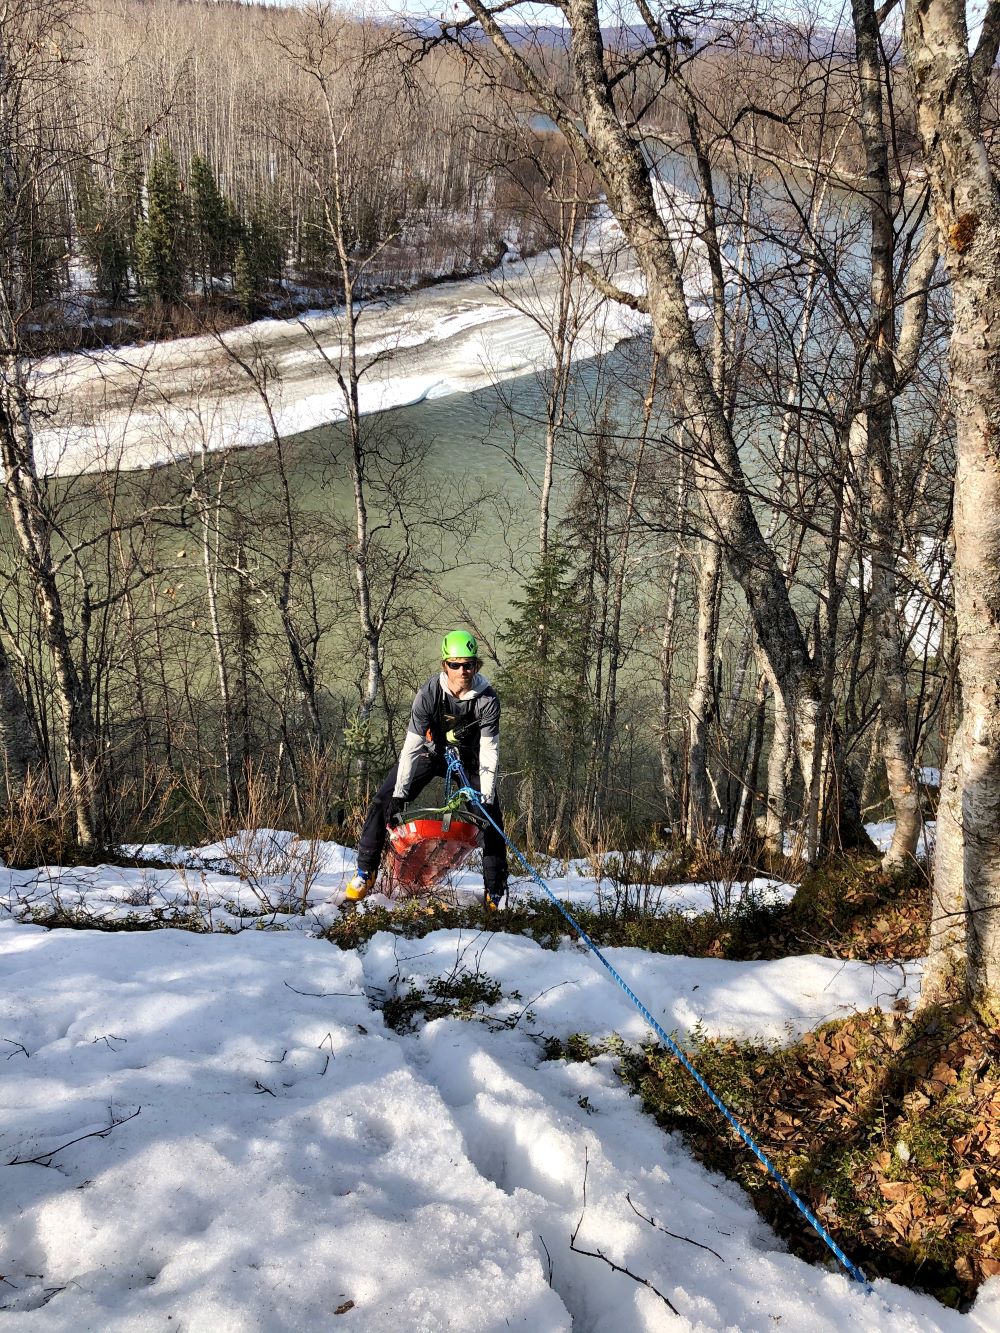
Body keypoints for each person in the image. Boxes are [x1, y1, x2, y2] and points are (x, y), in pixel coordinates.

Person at [345, 630, 509, 907]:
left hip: (468, 761)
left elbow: (490, 750)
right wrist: (400, 793)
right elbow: (411, 746)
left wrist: (487, 793)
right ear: (445, 664)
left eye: (468, 664)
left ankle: (496, 890)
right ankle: (366, 871)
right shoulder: (429, 693)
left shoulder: (487, 699)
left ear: (476, 665)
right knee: (382, 800)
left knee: (490, 817)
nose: (462, 670)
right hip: (429, 754)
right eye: (455, 664)